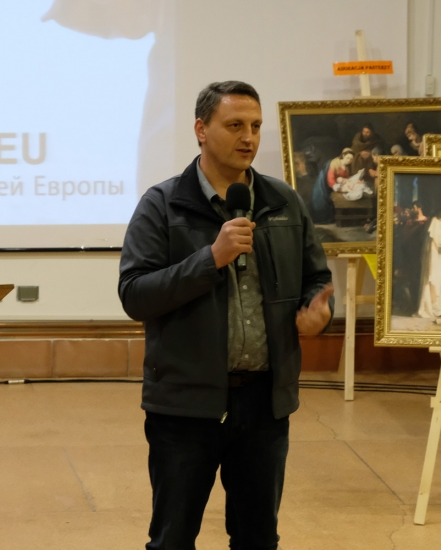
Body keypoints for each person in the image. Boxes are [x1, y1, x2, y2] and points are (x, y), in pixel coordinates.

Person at [118, 81, 334, 550]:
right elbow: (134, 294)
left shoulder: (284, 202)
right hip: (185, 406)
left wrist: (318, 312)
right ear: (201, 129)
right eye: (235, 125)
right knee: (173, 538)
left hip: (264, 404)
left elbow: (316, 279)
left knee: (258, 538)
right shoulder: (162, 204)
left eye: (255, 126)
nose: (248, 137)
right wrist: (209, 259)